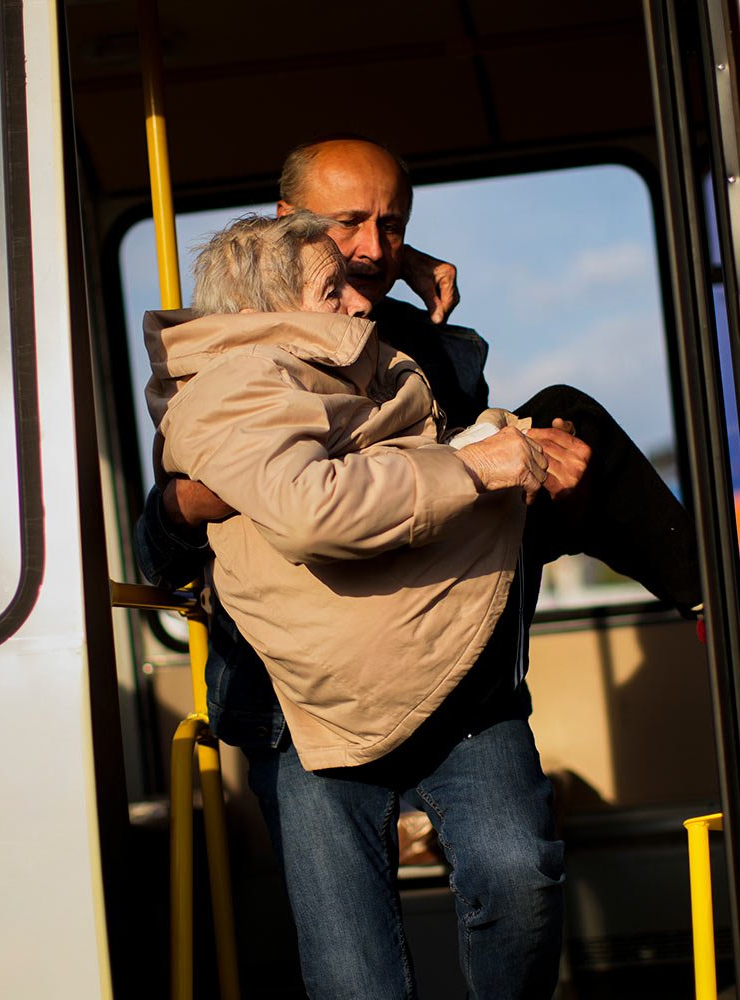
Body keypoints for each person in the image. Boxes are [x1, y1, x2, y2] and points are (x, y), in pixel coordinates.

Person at [143, 210, 701, 999]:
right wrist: (479, 468)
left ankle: (713, 595)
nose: (359, 298)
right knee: (354, 971)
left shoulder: (376, 351)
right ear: (269, 305)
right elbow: (302, 512)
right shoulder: (237, 386)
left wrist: (493, 436)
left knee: (522, 881)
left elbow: (417, 419)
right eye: (334, 283)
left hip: (449, 669)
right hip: (303, 708)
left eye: (392, 227)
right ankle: (717, 601)